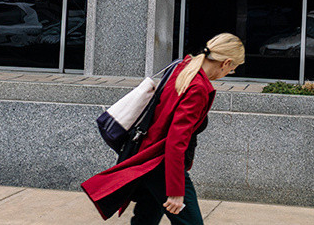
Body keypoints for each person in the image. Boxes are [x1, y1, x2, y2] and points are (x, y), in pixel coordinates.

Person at [82, 33, 245, 224]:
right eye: (232, 69)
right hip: (162, 164)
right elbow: (176, 140)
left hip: (148, 158)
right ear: (225, 62)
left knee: (146, 219)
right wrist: (176, 191)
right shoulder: (198, 87)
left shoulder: (182, 67)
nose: (228, 73)